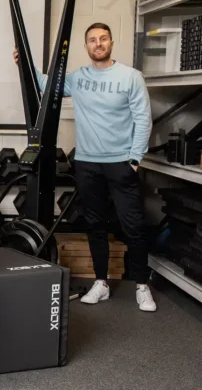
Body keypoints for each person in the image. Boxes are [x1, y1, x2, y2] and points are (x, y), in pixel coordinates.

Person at [13, 22, 156, 311]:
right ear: (86, 46)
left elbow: (144, 119)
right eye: (92, 40)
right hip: (88, 163)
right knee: (95, 225)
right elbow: (44, 83)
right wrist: (22, 63)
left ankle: (142, 285)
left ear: (111, 42)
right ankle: (101, 282)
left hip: (121, 164)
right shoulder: (77, 78)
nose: (98, 43)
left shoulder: (131, 77)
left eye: (103, 38)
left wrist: (135, 160)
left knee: (134, 226)